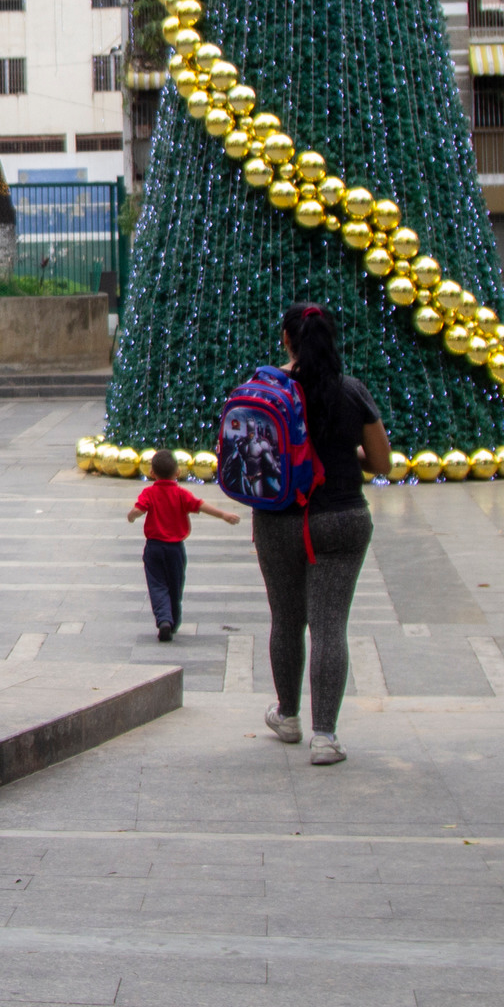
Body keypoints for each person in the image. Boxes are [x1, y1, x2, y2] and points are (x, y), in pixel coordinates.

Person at [253, 303, 393, 766]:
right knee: (330, 625)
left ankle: (287, 716)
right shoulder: (351, 392)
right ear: (332, 337)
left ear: (285, 339)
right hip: (341, 518)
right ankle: (326, 736)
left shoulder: (269, 390)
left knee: (286, 619)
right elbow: (382, 463)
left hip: (278, 520)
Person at [127, 450, 240, 642]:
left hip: (154, 548)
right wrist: (223, 515)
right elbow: (201, 505)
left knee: (157, 585)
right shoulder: (181, 494)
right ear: (178, 472)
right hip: (175, 549)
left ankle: (163, 619)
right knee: (175, 585)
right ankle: (173, 620)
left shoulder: (149, 492)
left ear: (152, 473)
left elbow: (138, 509)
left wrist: (132, 515)